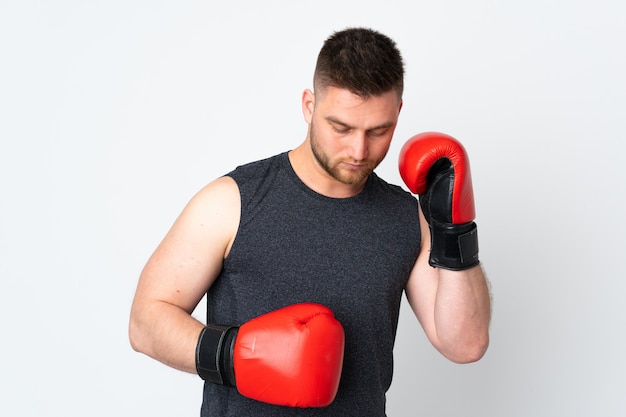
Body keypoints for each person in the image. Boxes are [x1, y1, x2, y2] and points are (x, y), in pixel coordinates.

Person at [129, 27, 491, 416]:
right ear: (308, 105)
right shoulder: (233, 201)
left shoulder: (406, 217)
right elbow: (146, 321)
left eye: (378, 130)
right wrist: (239, 355)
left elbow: (465, 344)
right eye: (341, 127)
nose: (358, 150)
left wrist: (455, 232)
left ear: (398, 113)